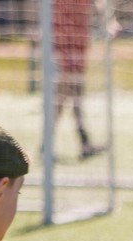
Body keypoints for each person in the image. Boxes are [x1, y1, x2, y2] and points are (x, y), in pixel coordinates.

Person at [53, 0, 109, 160]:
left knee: (70, 93)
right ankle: (81, 142)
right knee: (65, 92)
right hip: (65, 38)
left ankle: (83, 142)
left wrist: (107, 20)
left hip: (76, 37)